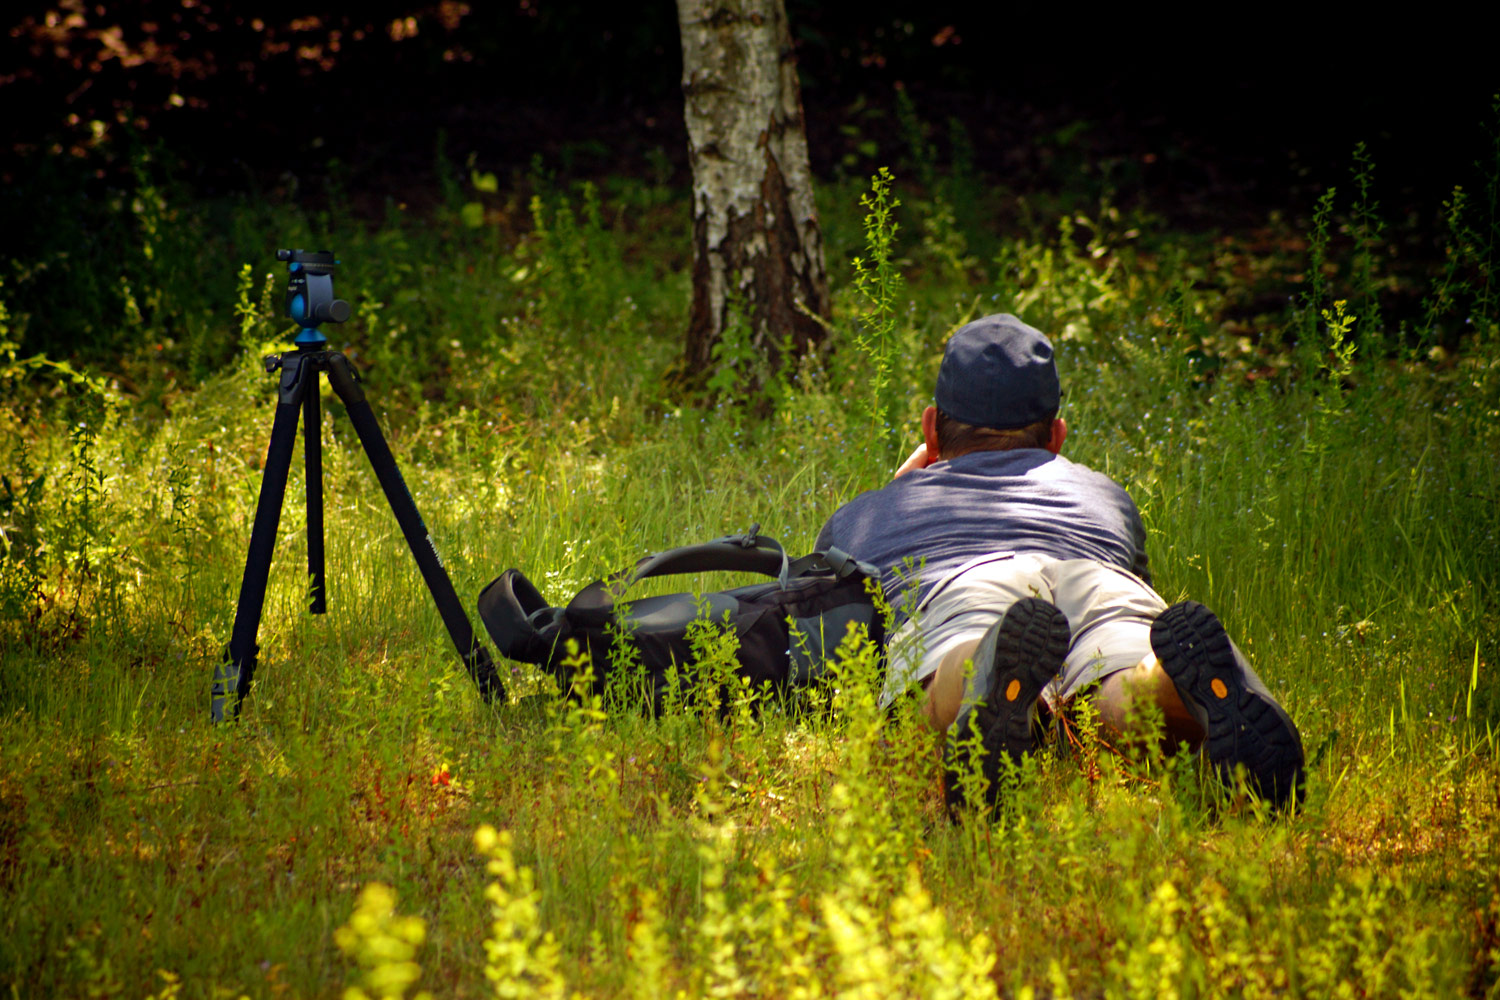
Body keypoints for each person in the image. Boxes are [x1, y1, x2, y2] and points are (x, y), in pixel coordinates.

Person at [815, 314, 1305, 811]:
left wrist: (896, 490)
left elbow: (827, 637)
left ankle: (975, 670)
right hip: (1100, 582)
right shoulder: (1105, 495)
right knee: (1117, 677)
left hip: (965, 584)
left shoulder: (869, 514)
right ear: (1057, 436)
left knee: (949, 666)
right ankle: (1166, 686)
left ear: (930, 429)